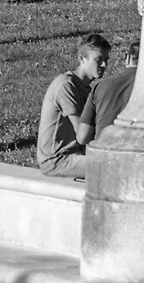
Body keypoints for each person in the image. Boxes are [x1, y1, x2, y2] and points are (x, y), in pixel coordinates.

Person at [36, 33, 111, 179]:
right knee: (114, 167)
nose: (104, 65)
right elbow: (82, 134)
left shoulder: (88, 90)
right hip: (56, 160)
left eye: (106, 60)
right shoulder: (66, 85)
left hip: (76, 154)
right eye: (99, 60)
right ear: (82, 59)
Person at [90, 35, 137, 137]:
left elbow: (82, 136)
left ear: (127, 58)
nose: (104, 65)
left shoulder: (100, 87)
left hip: (102, 147)